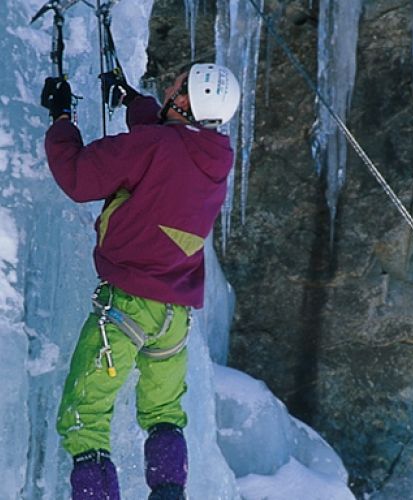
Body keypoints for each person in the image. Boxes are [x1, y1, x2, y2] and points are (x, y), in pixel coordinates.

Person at [41, 63, 241, 499]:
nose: (170, 85)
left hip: (126, 307)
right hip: (175, 319)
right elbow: (167, 146)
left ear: (184, 100)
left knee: (85, 415)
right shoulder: (217, 157)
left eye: (177, 84)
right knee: (164, 412)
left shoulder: (154, 145)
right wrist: (133, 101)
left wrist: (61, 120)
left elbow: (78, 176)